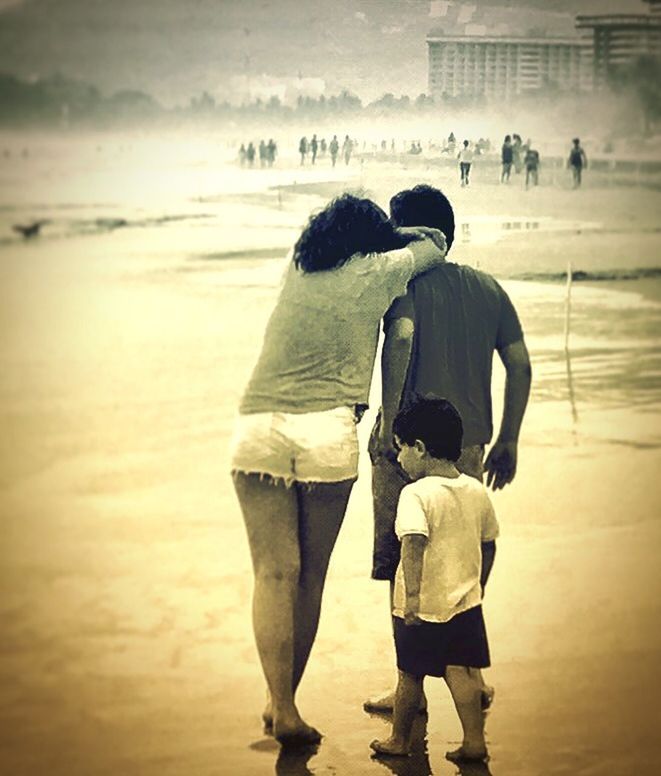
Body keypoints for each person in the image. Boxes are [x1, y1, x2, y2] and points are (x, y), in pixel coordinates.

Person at [231, 194, 448, 748]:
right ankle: (284, 705)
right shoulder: (381, 270)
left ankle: (280, 702)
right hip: (327, 430)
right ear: (371, 239)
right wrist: (400, 237)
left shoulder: (298, 265)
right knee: (308, 579)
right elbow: (434, 246)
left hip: (258, 426)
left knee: (271, 575)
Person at [364, 184, 531, 715]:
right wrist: (509, 438)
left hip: (409, 446)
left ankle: (408, 689)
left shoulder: (405, 285)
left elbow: (403, 339)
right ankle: (471, 677)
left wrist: (389, 421)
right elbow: (521, 364)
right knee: (462, 562)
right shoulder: (488, 288)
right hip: (470, 446)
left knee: (403, 564)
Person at [369, 397, 499, 762]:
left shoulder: (414, 494)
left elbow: (412, 545)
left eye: (401, 449)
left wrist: (410, 599)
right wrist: (480, 585)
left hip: (424, 605)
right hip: (465, 602)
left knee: (409, 675)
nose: (398, 459)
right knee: (461, 672)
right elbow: (489, 544)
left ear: (421, 448)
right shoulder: (475, 489)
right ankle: (474, 741)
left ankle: (399, 739)